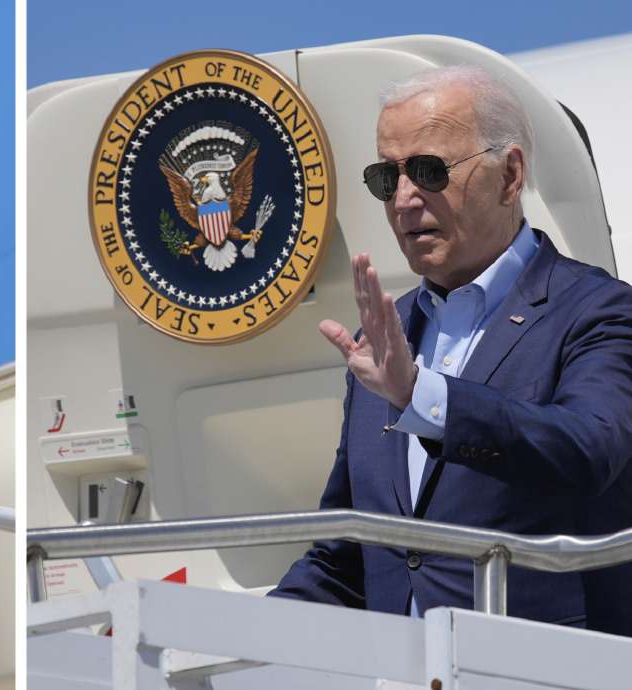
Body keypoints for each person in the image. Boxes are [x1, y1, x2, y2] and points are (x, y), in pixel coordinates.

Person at [270, 64, 632, 634]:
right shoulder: (384, 340)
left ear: (510, 176)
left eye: (428, 170)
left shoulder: (600, 310)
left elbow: (588, 451)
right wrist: (207, 639)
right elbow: (348, 558)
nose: (405, 200)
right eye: (388, 178)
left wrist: (424, 397)